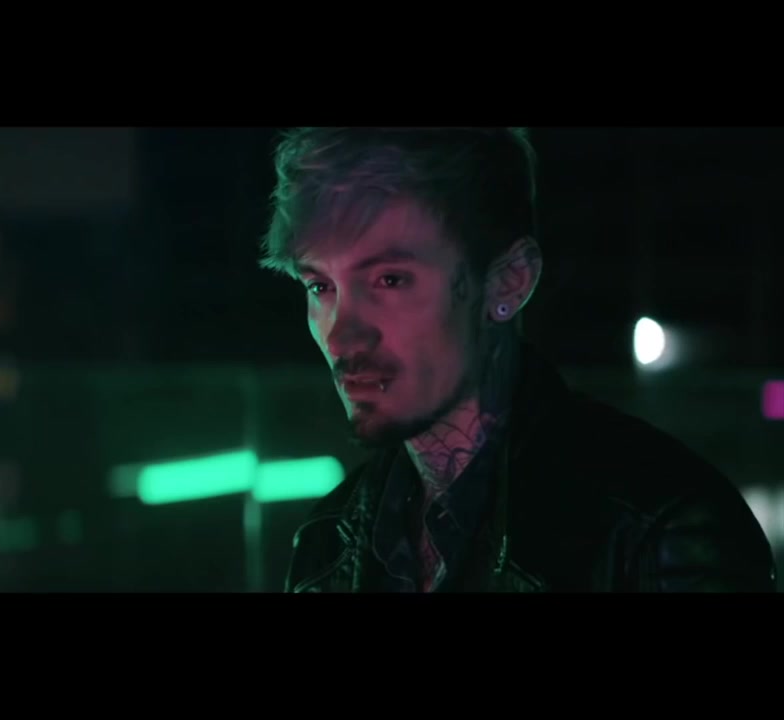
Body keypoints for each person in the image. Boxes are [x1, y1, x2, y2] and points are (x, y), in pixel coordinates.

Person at [261, 127, 777, 592]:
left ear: (509, 281)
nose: (341, 335)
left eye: (390, 280)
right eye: (319, 285)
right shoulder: (328, 542)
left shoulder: (661, 525)